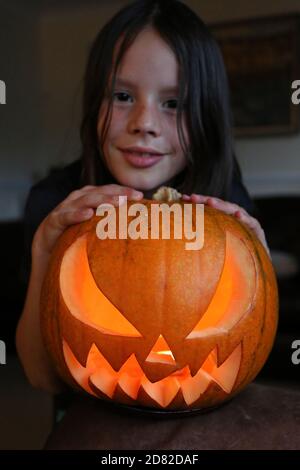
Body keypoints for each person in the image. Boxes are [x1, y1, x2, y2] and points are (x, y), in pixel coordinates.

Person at [16, 0, 269, 395]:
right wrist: (44, 251)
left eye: (174, 104)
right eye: (122, 96)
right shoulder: (55, 201)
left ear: (206, 116)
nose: (144, 124)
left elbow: (245, 351)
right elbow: (41, 376)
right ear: (95, 102)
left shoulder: (224, 194)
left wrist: (260, 263)